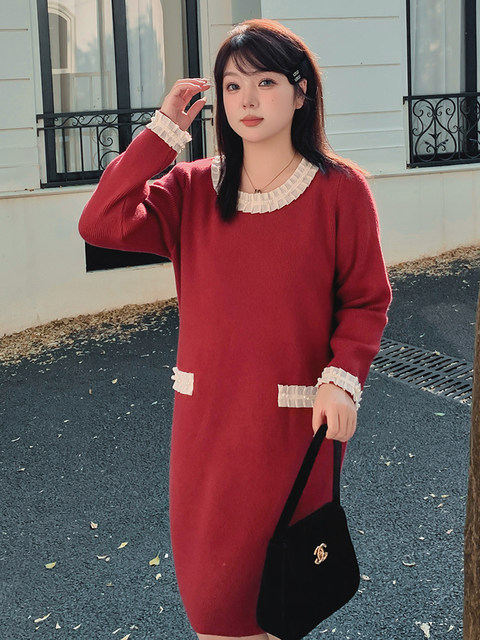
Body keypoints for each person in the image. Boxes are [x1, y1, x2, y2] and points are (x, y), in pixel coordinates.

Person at [78, 18, 392, 640]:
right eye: (232, 85)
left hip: (291, 432)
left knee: (281, 606)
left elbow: (365, 300)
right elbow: (102, 221)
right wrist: (162, 133)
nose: (247, 99)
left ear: (301, 92)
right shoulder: (192, 188)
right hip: (207, 437)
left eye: (265, 82)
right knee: (215, 611)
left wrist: (343, 378)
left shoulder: (341, 191)